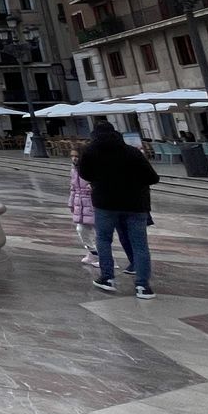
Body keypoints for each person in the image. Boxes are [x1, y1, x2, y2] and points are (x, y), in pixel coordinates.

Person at [78, 119, 159, 298]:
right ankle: (143, 286)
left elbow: (84, 174)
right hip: (135, 205)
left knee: (104, 240)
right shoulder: (132, 152)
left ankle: (107, 278)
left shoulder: (90, 152)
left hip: (105, 204)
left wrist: (102, 181)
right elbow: (153, 177)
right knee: (140, 245)